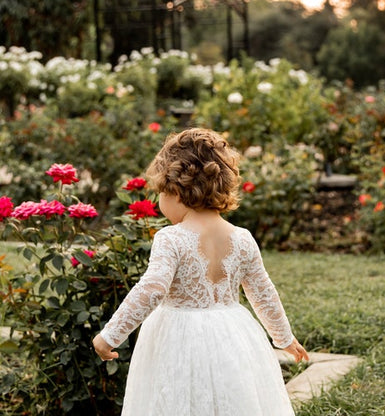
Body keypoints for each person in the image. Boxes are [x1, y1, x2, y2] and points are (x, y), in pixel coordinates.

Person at [93, 128, 308, 415]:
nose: (159, 203)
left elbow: (153, 288)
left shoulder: (171, 238)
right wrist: (284, 338)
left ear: (176, 190)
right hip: (233, 334)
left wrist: (109, 335)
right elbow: (262, 292)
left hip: (179, 338)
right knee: (229, 398)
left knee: (180, 399)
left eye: (160, 193)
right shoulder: (242, 238)